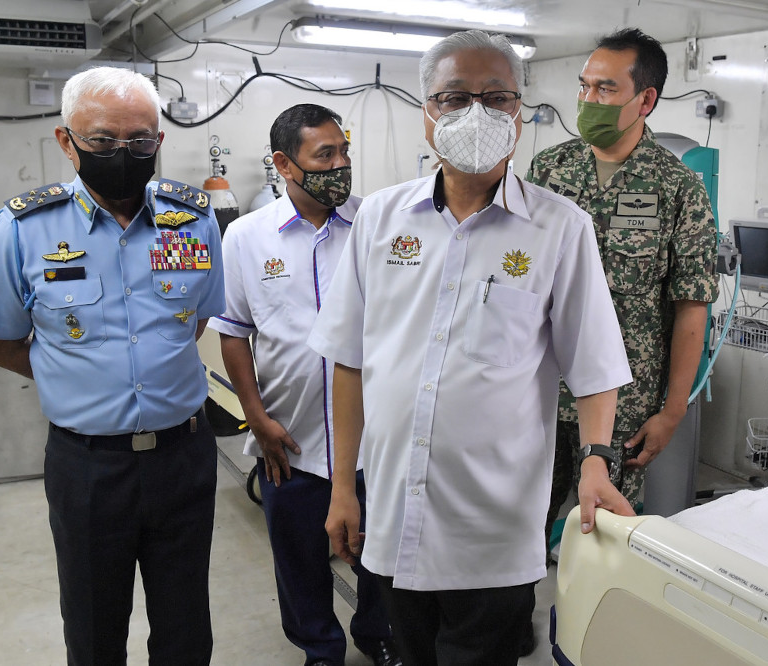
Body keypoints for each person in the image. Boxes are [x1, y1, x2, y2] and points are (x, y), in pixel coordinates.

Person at [308, 30, 635, 665]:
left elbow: (594, 365)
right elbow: (349, 361)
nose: (475, 114)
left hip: (494, 526)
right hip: (395, 512)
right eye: (455, 97)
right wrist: (344, 486)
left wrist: (595, 460)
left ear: (519, 113)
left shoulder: (559, 228)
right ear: (426, 112)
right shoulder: (380, 219)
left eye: (496, 97)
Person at [0, 67, 224, 665]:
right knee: (93, 630)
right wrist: (78, 377)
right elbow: (0, 341)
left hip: (184, 457)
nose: (123, 154)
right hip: (87, 466)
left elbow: (196, 320)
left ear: (159, 141)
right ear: (68, 141)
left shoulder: (192, 219)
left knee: (186, 626)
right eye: (103, 141)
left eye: (140, 140)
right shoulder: (25, 228)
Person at [208, 104, 400, 666]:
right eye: (325, 155)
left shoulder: (377, 226)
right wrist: (256, 418)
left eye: (344, 153)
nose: (340, 166)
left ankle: (378, 634)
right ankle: (319, 647)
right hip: (289, 435)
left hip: (374, 436)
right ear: (284, 164)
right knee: (298, 556)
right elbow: (233, 333)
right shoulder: (246, 237)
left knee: (378, 554)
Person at [525, 28, 719, 547]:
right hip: (538, 390)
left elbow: (692, 307)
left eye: (606, 89)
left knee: (604, 536)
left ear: (646, 100)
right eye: (584, 86)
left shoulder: (679, 188)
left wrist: (672, 411)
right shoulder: (548, 169)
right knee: (518, 525)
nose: (589, 100)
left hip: (626, 406)